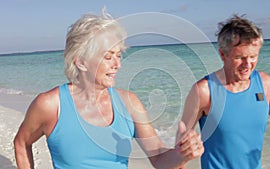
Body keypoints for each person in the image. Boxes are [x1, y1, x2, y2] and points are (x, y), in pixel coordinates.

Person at [13, 10, 204, 169]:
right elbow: (22, 143)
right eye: (108, 56)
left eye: (118, 55)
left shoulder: (129, 103)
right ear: (80, 61)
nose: (117, 64)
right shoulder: (51, 105)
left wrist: (182, 155)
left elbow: (159, 158)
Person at [180, 15, 270, 169]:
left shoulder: (265, 83)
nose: (248, 64)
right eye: (240, 57)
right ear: (223, 54)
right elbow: (181, 144)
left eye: (253, 56)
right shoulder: (204, 91)